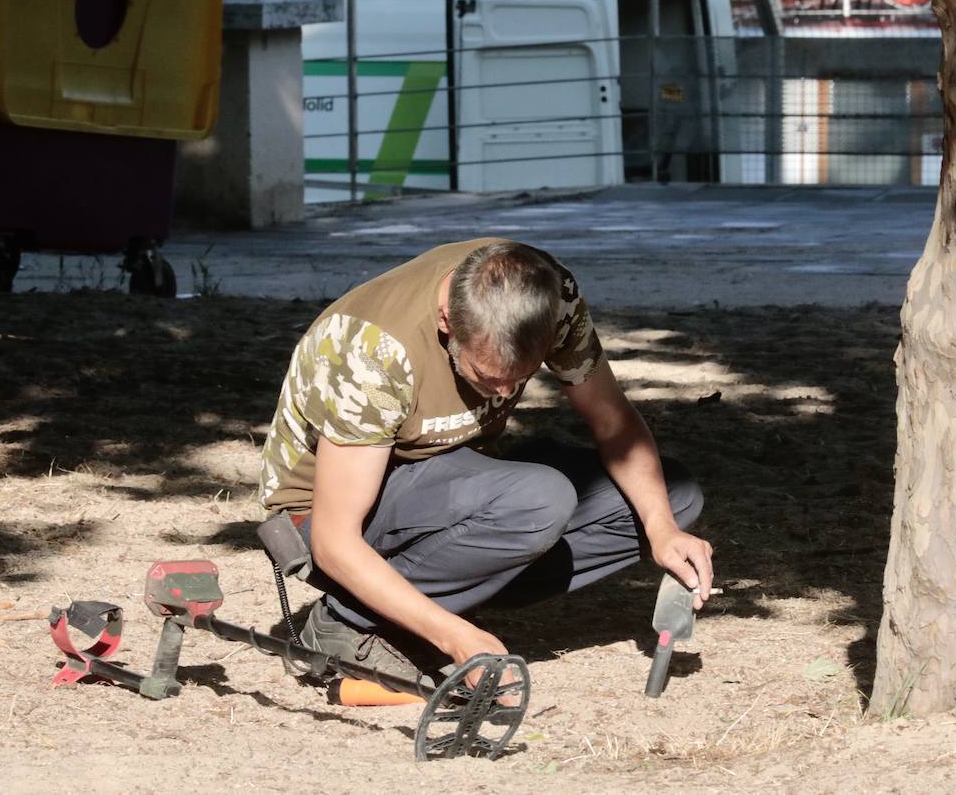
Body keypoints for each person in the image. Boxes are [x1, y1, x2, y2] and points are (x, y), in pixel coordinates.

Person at [258, 238, 713, 677]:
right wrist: (454, 636)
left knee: (670, 497)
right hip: (322, 519)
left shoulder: (548, 294)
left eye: (522, 377)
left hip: (455, 480)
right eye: (488, 376)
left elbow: (614, 424)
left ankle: (450, 588)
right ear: (445, 321)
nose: (506, 393)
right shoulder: (373, 351)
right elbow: (335, 542)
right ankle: (345, 621)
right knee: (539, 499)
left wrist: (663, 531)